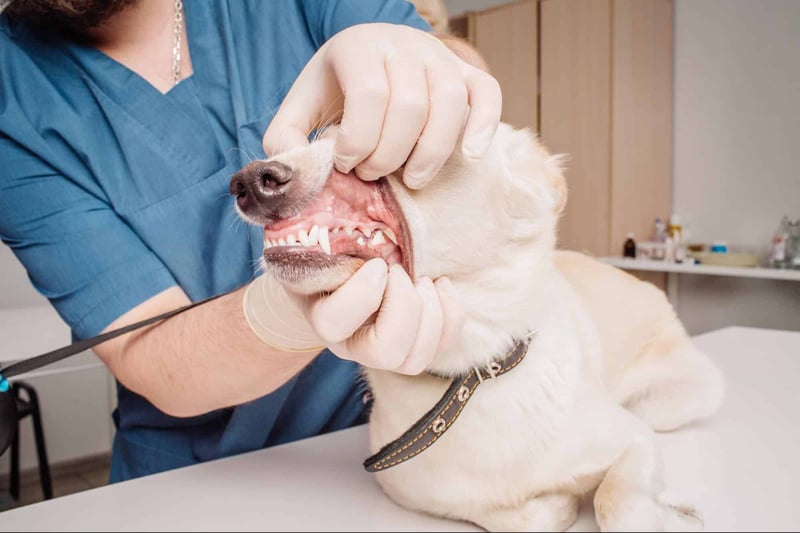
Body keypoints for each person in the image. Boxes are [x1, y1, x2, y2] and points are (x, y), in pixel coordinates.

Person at [0, 0, 501, 482]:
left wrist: (431, 68)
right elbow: (145, 353)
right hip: (200, 477)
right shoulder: (14, 95)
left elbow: (472, 91)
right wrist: (285, 314)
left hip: (398, 429)